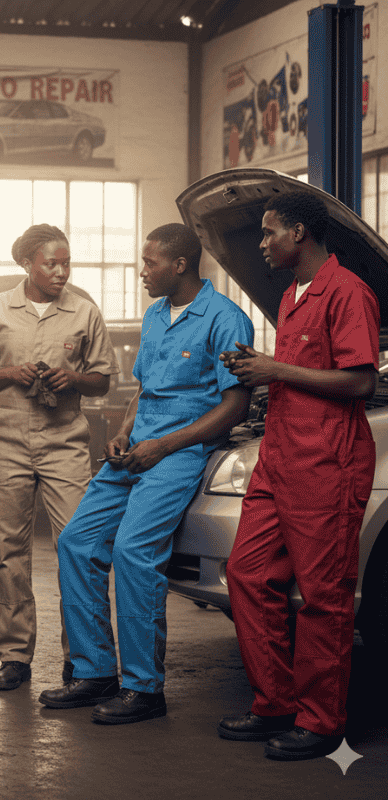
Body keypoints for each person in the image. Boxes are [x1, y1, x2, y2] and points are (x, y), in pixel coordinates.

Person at [39, 223, 254, 724]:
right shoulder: (156, 315)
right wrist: (124, 430)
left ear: (179, 265)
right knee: (76, 541)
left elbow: (236, 407)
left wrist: (163, 446)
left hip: (180, 454)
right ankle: (94, 671)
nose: (142, 271)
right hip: (136, 449)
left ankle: (143, 689)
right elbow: (146, 390)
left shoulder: (225, 319)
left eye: (150, 262)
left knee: (133, 551)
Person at [218, 191, 379, 760]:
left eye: (269, 232)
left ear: (301, 233)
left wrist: (275, 368)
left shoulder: (348, 293)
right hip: (280, 458)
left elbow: (360, 382)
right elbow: (301, 374)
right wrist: (259, 371)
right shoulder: (292, 296)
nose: (261, 244)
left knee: (322, 598)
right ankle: (276, 701)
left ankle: (320, 722)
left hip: (327, 465)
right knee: (246, 574)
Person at [0, 224, 118, 690]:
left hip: (64, 438)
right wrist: (10, 372)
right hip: (5, 438)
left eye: (67, 262)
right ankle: (14, 656)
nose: (61, 271)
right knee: (8, 552)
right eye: (51, 263)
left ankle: (83, 658)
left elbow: (103, 380)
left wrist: (74, 379)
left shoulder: (84, 312)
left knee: (79, 545)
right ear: (28, 263)